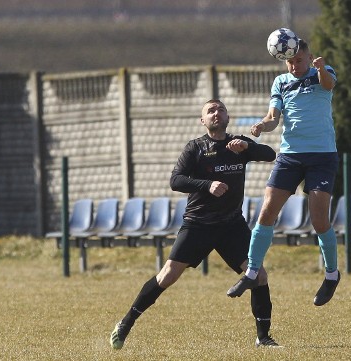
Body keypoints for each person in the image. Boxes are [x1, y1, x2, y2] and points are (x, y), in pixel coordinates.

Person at [110, 99, 281, 349]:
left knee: (259, 275)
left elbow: (270, 155)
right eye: (210, 111)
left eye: (220, 109)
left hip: (231, 226)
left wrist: (247, 146)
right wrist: (207, 184)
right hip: (198, 224)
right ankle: (126, 323)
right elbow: (176, 181)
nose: (216, 113)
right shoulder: (195, 148)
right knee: (167, 275)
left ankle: (263, 338)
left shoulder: (239, 144)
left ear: (227, 117)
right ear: (203, 120)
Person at [227, 39, 341, 306]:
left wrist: (322, 69)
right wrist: (260, 126)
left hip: (322, 157)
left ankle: (332, 275)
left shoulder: (323, 73)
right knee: (266, 211)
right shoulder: (280, 82)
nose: (293, 65)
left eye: (298, 60)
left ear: (309, 57)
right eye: (289, 61)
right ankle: (253, 271)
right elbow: (273, 118)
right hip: (290, 156)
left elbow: (329, 85)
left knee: (319, 220)